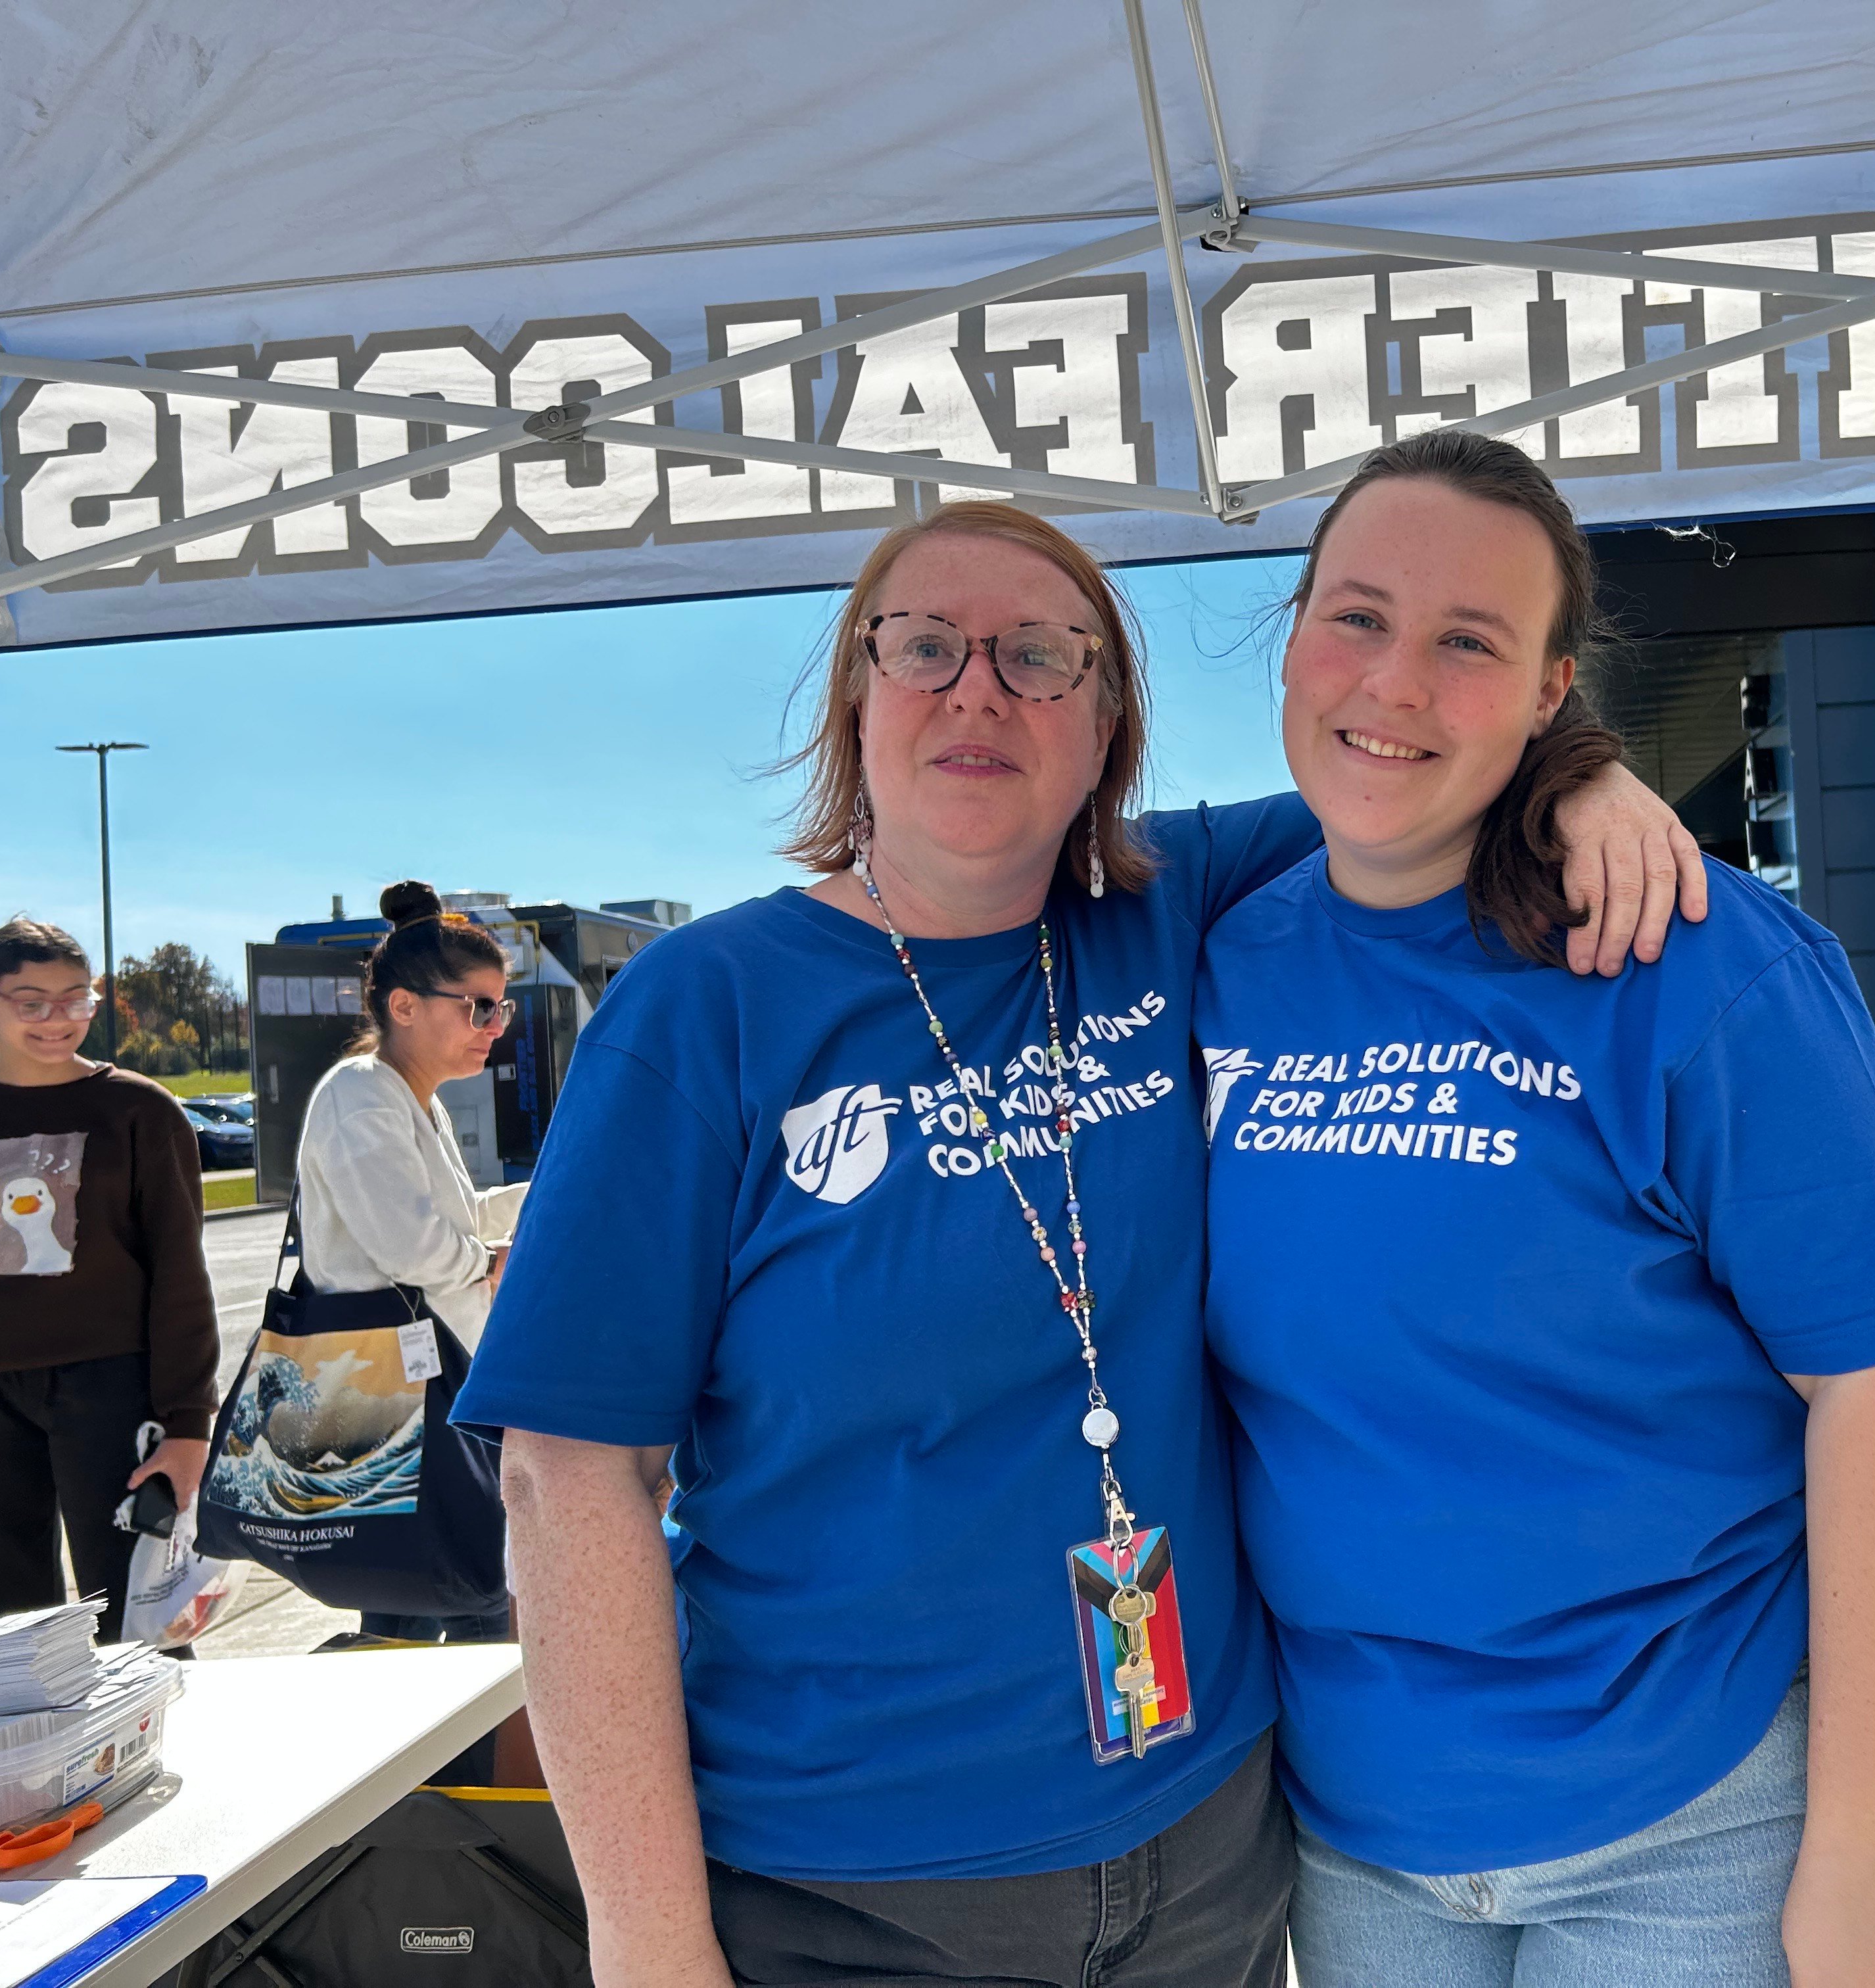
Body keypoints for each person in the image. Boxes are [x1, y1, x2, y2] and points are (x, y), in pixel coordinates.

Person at [456, 498, 1709, 1988]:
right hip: (857, 1897)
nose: (978, 688)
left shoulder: (1164, 912)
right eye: (924, 646)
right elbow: (571, 1474)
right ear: (856, 694)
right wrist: (649, 1937)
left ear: (1106, 726)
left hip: (1211, 1854)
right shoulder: (704, 1009)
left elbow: (1413, 762)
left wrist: (1589, 777)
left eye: (1043, 657)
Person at [1197, 430, 1875, 1988]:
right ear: (1293, 635)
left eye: (1469, 641)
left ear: (1555, 693)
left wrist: (1874, 1853)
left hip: (1707, 1809)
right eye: (1358, 616)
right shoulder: (1214, 952)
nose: (1396, 683)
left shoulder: (1695, 961)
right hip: (1358, 1824)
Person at [0, 916, 218, 1640]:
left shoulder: (140, 1111)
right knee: (3, 1632)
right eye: (30, 1002)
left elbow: (179, 1273)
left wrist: (190, 1424)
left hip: (115, 1390)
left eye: (75, 999)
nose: (55, 1020)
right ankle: (34, 1757)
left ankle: (155, 1751)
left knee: (142, 1613)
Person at [294, 879, 513, 1643]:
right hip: (391, 1390)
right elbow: (412, 1244)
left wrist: (553, 1196)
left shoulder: (412, 1096)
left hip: (431, 1381)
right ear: (404, 1005)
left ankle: (464, 1760)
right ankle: (441, 1763)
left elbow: (450, 1220)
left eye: (500, 1006)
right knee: (434, 1603)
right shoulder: (361, 1094)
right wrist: (489, 1263)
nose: (494, 1025)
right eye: (476, 1006)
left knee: (450, 1594)